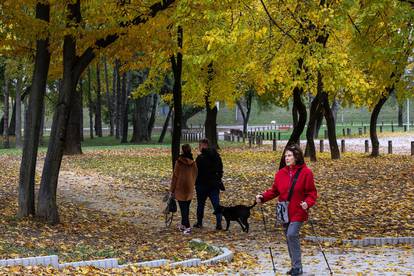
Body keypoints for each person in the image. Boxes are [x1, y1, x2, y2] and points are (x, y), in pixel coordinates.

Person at [256, 144, 317, 276]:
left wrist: (307, 203)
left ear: (296, 157)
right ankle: (295, 266)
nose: (287, 158)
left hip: (298, 210)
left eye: (289, 155)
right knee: (289, 238)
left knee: (291, 234)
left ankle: (297, 267)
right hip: (283, 210)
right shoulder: (280, 174)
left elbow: (312, 193)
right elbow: (274, 191)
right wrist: (262, 197)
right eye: (285, 156)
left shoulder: (306, 172)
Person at [193, 138, 224, 230]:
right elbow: (220, 169)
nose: (199, 147)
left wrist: (196, 181)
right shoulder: (217, 156)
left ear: (204, 145)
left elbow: (196, 171)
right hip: (214, 184)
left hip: (201, 184)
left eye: (200, 145)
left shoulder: (200, 158)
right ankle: (219, 223)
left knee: (200, 204)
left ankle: (199, 222)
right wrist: (218, 178)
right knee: (216, 204)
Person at [170, 144, 198, 234]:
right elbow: (195, 174)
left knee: (183, 209)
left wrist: (171, 190)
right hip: (189, 188)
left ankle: (188, 227)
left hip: (180, 188)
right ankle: (183, 225)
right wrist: (192, 183)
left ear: (182, 151)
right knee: (186, 208)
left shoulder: (179, 162)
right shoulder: (193, 162)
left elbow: (175, 176)